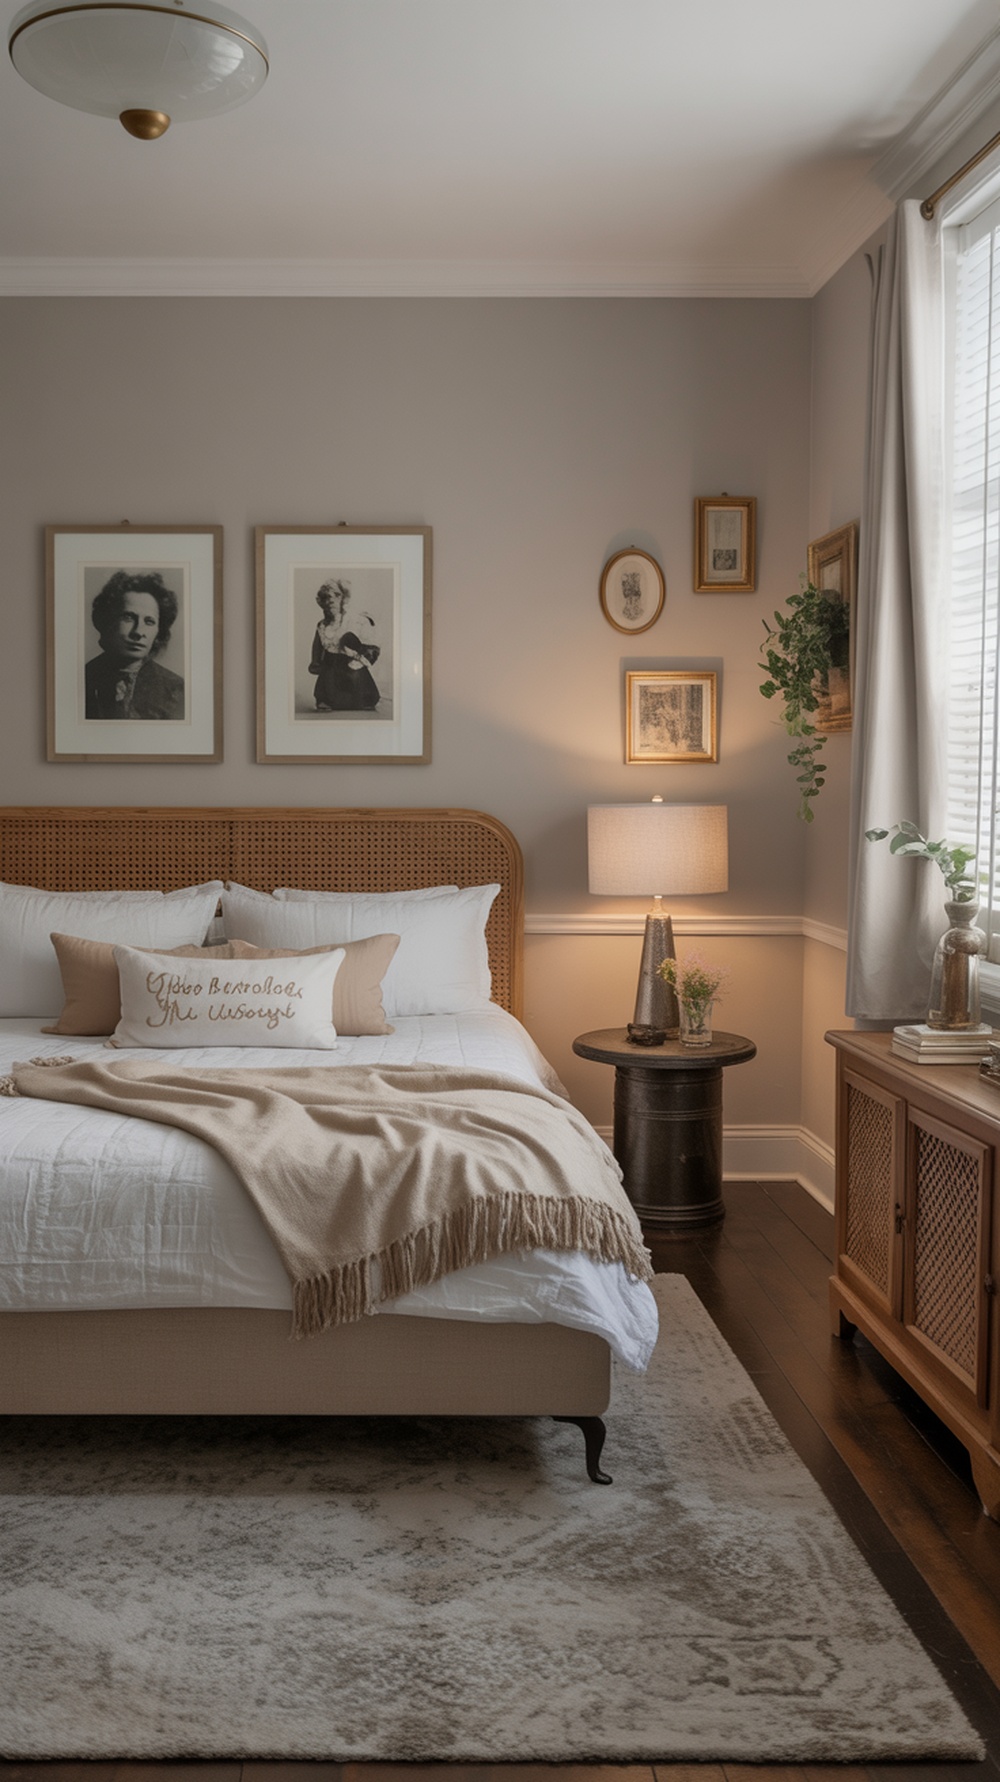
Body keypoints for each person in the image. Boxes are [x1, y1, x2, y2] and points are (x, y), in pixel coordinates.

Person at [84, 571, 185, 720]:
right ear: (107, 621)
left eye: (149, 621)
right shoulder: (82, 678)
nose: (138, 632)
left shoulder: (177, 689)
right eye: (128, 618)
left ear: (159, 631)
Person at [308, 579, 380, 711]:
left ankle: (362, 697)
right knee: (327, 693)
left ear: (343, 598)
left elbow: (371, 647)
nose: (330, 600)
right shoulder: (322, 626)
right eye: (325, 597)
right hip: (330, 669)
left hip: (352, 669)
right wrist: (316, 663)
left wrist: (357, 659)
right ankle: (327, 699)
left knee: (364, 700)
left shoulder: (357, 621)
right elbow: (317, 647)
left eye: (336, 595)